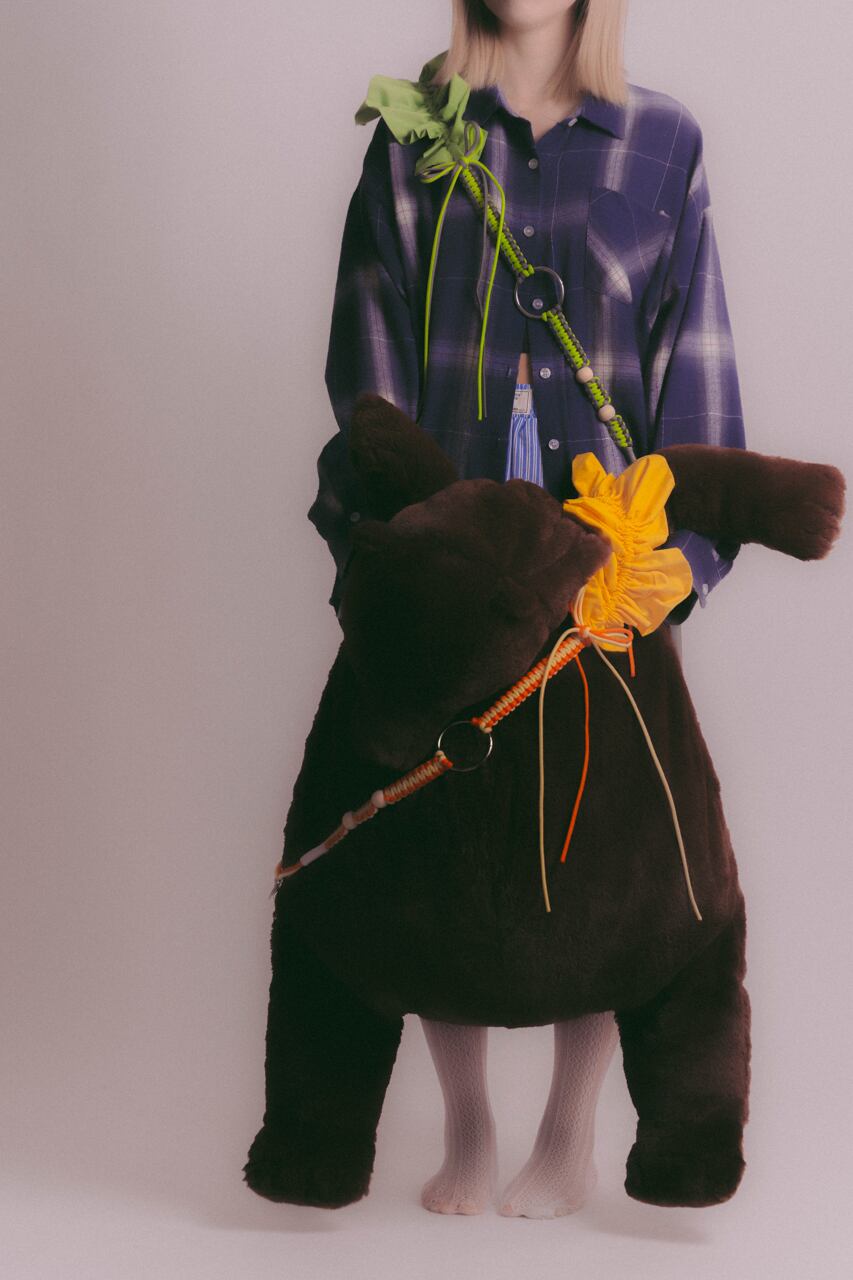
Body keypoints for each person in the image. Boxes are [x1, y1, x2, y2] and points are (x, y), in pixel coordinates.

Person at [309, 0, 747, 1218]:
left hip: (599, 573)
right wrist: (393, 555)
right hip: (454, 580)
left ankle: (567, 1130)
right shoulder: (412, 137)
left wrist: (673, 566)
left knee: (607, 861)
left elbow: (694, 362)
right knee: (432, 849)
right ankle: (467, 1123)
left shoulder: (661, 143)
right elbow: (366, 374)